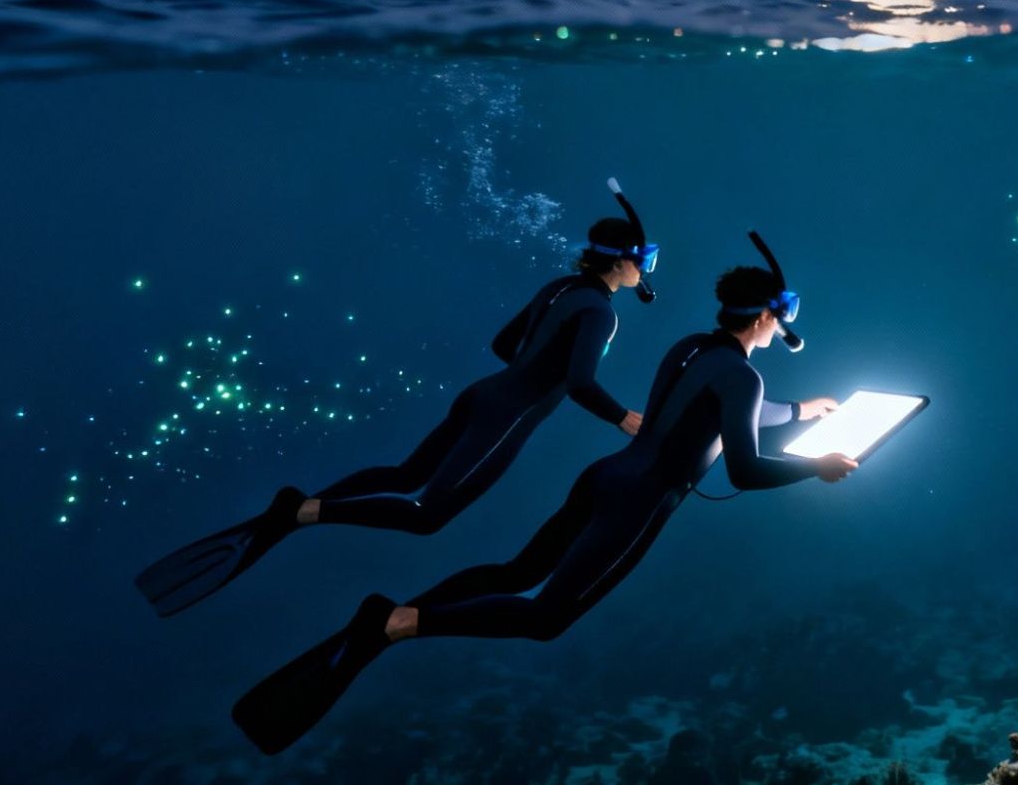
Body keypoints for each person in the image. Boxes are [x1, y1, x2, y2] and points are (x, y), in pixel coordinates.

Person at [230, 235, 855, 755]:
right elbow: (743, 470)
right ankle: (397, 623)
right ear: (766, 316)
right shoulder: (744, 376)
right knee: (546, 618)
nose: (784, 325)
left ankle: (398, 610)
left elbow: (728, 406)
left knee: (517, 571)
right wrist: (817, 467)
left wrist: (802, 410)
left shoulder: (691, 348)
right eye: (784, 314)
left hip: (605, 477)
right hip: (640, 504)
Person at [134, 181, 664, 618]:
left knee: (405, 474)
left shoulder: (559, 287)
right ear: (620, 262)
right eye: (643, 259)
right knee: (426, 515)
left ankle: (299, 507)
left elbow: (504, 344)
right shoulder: (601, 312)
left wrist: (529, 373)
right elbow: (580, 382)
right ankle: (300, 511)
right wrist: (622, 418)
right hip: (507, 415)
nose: (645, 269)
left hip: (483, 396)